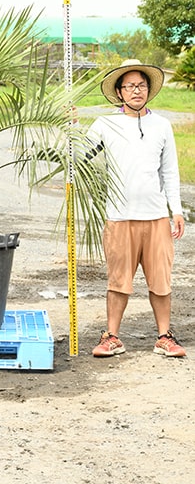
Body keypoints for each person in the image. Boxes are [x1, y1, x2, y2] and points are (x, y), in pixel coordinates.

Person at [87, 59, 186, 358]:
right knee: (118, 281)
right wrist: (74, 127)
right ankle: (112, 337)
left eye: (141, 85)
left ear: (149, 89)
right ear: (119, 92)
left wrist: (177, 210)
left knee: (161, 281)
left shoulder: (162, 125)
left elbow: (170, 171)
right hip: (119, 216)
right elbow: (80, 157)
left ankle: (164, 337)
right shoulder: (105, 124)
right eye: (129, 86)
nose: (136, 91)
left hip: (156, 217)